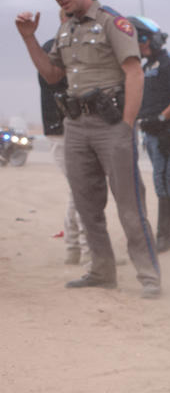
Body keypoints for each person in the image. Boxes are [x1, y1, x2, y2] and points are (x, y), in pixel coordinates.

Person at [16, 0, 160, 299]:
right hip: (75, 127)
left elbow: (134, 74)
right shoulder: (64, 27)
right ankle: (101, 270)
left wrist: (126, 126)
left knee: (129, 205)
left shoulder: (112, 21)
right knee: (86, 205)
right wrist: (29, 38)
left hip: (111, 126)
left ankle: (149, 276)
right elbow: (53, 75)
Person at [130, 15, 170, 253]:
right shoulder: (146, 67)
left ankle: (165, 236)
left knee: (163, 178)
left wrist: (160, 118)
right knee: (169, 177)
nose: (139, 46)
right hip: (151, 132)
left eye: (140, 41)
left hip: (167, 132)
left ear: (150, 40)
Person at [39, 30, 89, 266]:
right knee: (81, 190)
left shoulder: (65, 46)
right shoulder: (54, 48)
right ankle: (86, 249)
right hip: (62, 131)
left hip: (69, 129)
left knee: (78, 190)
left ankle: (74, 247)